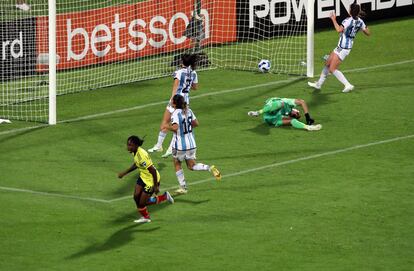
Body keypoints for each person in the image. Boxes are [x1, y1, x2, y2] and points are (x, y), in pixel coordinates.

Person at [308, 2, 370, 93]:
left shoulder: (347, 21)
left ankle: (348, 85)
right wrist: (362, 28)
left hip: (344, 48)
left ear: (350, 11)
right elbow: (368, 33)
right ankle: (318, 85)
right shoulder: (360, 21)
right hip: (341, 47)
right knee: (327, 63)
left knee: (332, 69)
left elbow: (338, 30)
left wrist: (333, 19)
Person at [168, 94, 221, 194]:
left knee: (177, 163)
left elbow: (175, 128)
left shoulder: (175, 113)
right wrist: (187, 128)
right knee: (191, 166)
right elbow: (196, 123)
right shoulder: (189, 110)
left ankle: (183, 187)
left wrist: (166, 126)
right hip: (192, 143)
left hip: (180, 145)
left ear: (174, 103)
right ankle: (209, 168)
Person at [148, 54, 199, 158]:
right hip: (185, 102)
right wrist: (187, 85)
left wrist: (172, 100)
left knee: (166, 121)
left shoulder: (179, 72)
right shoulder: (194, 73)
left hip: (176, 100)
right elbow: (195, 87)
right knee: (178, 124)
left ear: (182, 62)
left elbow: (175, 87)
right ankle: (169, 148)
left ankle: (159, 145)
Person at [118, 135, 174, 224]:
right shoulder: (134, 151)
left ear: (136, 145)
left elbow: (153, 171)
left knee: (142, 203)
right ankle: (145, 216)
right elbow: (137, 164)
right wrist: (125, 173)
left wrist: (155, 186)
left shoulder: (142, 156)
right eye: (128, 144)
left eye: (130, 145)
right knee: (136, 196)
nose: (128, 147)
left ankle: (164, 197)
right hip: (143, 176)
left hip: (151, 180)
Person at [248, 97, 322, 131]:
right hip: (270, 107)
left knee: (292, 120)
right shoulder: (288, 102)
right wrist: (307, 117)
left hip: (271, 120)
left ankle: (308, 127)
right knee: (281, 103)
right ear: (295, 110)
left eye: (295, 115)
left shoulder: (286, 113)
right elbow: (302, 102)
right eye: (297, 114)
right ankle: (257, 112)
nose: (295, 114)